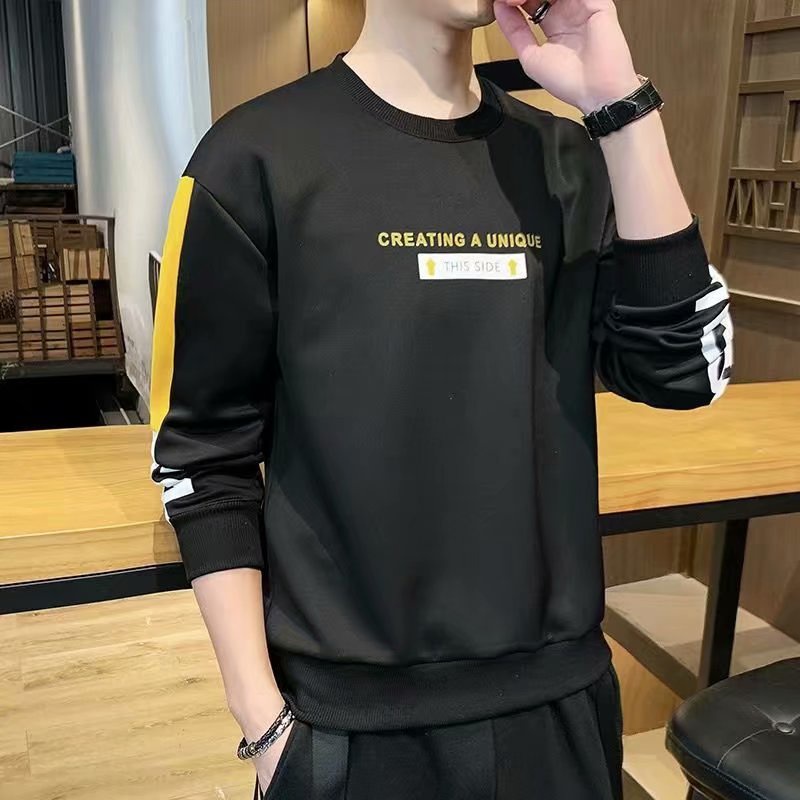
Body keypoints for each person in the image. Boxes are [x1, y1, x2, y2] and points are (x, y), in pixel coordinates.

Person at [148, 0, 733, 797]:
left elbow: (686, 370)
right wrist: (265, 724)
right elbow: (201, 454)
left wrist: (621, 107)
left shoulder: (566, 156)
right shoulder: (253, 157)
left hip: (558, 704)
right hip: (347, 724)